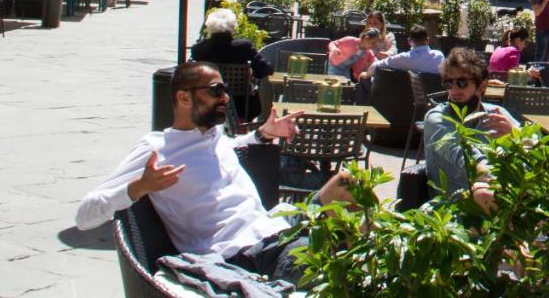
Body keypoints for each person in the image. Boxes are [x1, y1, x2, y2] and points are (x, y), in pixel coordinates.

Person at [75, 62, 352, 286]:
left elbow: (228, 150)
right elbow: (85, 216)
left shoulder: (213, 135)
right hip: (247, 254)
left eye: (225, 90)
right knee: (344, 268)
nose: (226, 97)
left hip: (276, 225)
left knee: (347, 184)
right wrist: (138, 187)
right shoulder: (157, 149)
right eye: (216, 91)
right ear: (183, 97)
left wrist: (264, 134)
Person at [423, 48, 518, 197]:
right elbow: (465, 156)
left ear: (482, 86)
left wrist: (515, 135)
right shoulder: (437, 118)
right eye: (449, 83)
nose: (454, 90)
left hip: (500, 199)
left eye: (462, 83)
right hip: (452, 210)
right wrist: (490, 181)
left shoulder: (497, 114)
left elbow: (533, 147)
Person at [372, 24, 444, 75]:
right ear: (428, 40)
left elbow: (375, 65)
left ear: (409, 41)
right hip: (438, 94)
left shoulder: (404, 58)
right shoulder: (439, 56)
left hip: (412, 95)